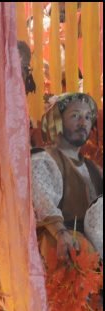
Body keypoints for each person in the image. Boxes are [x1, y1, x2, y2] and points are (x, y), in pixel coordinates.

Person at [31, 93, 102, 264]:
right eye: (75, 116)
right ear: (56, 120)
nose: (83, 123)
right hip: (64, 246)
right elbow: (42, 202)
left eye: (87, 117)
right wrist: (61, 233)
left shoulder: (94, 168)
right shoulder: (43, 159)